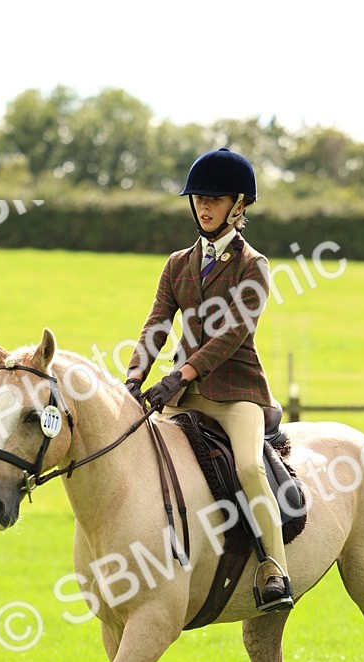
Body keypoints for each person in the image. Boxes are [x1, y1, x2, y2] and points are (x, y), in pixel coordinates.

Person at [125, 147, 293, 612]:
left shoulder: (253, 266)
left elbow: (231, 335)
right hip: (183, 393)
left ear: (238, 206)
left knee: (247, 467)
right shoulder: (177, 264)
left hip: (235, 393)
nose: (203, 205)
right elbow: (157, 324)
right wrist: (135, 377)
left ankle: (274, 568)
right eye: (199, 197)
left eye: (214, 199)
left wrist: (178, 375)